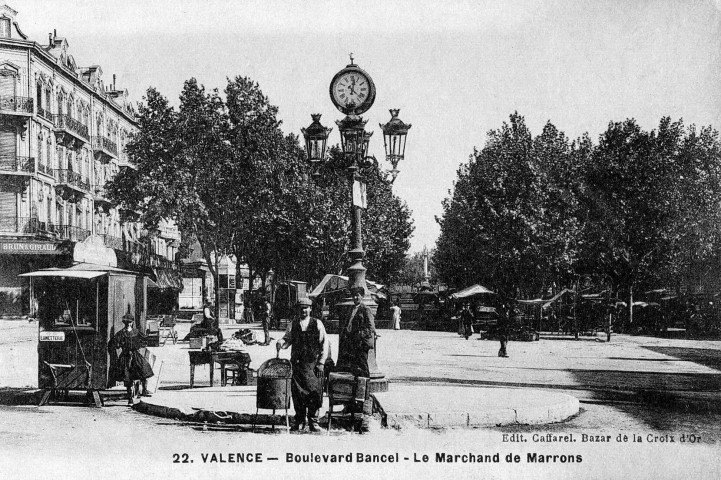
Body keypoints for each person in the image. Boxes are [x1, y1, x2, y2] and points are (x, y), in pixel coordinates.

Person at [276, 297, 329, 432]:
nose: (303, 310)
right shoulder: (293, 324)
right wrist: (281, 342)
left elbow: (325, 344)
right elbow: (287, 340)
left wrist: (321, 363)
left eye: (306, 308)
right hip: (297, 365)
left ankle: (313, 421)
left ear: (310, 309)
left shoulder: (317, 324)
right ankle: (299, 421)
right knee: (298, 394)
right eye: (301, 308)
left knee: (314, 393)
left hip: (313, 366)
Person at [335, 286, 377, 433]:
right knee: (353, 376)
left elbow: (370, 328)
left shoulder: (366, 310)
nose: (355, 298)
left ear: (362, 296)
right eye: (353, 296)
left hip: (360, 347)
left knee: (363, 375)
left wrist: (358, 335)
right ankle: (353, 410)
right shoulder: (351, 310)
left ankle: (364, 408)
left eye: (358, 296)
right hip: (351, 348)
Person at [112, 313, 154, 405]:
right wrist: (121, 344)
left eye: (130, 322)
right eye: (127, 322)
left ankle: (144, 390)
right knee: (127, 377)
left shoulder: (136, 331)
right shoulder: (121, 333)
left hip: (135, 355)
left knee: (144, 368)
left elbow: (144, 339)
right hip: (126, 356)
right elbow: (116, 344)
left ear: (132, 322)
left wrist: (143, 342)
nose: (128, 324)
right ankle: (130, 398)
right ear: (124, 323)